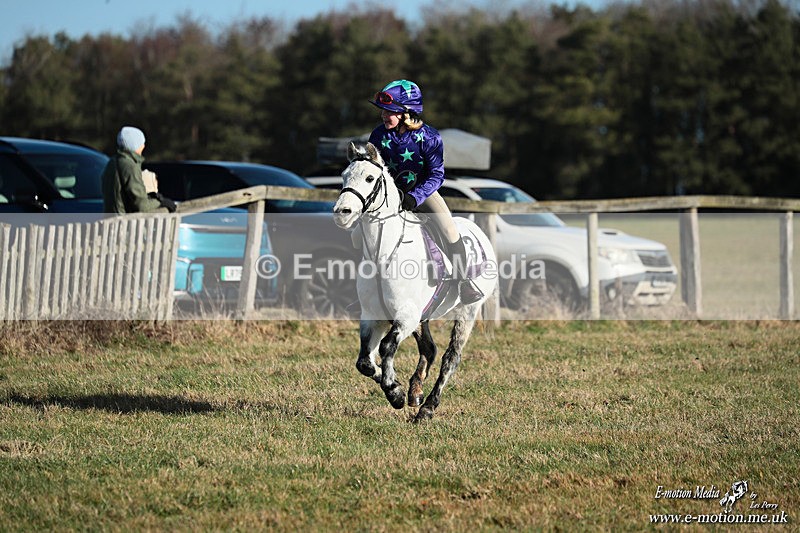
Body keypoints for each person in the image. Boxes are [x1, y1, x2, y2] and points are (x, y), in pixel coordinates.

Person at [368, 79, 482, 304]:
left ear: (406, 113)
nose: (383, 115)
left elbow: (437, 175)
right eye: (383, 110)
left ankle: (464, 283)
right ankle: (364, 288)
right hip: (389, 197)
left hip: (422, 192)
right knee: (358, 233)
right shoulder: (378, 135)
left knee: (449, 229)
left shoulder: (429, 137)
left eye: (389, 111)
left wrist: (415, 197)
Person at [102, 126, 175, 214]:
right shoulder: (129, 165)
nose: (143, 146)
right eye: (142, 143)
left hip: (111, 222)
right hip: (125, 224)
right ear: (135, 144)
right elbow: (141, 205)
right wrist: (161, 202)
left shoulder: (112, 162)